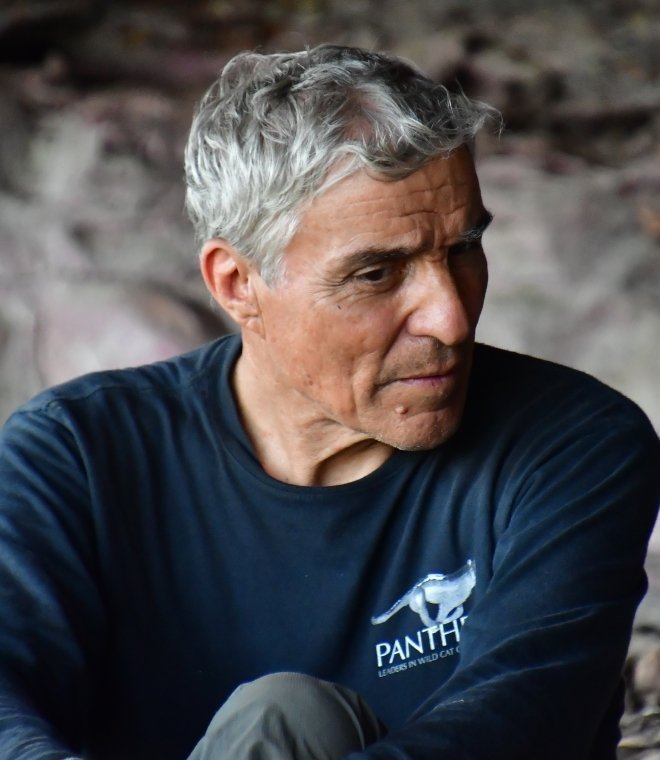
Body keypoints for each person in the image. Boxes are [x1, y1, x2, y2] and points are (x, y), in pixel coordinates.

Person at [0, 44, 658, 760]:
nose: (451, 319)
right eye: (376, 274)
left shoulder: (574, 447)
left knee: (286, 719)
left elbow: (515, 729)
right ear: (237, 285)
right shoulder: (76, 456)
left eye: (463, 249)